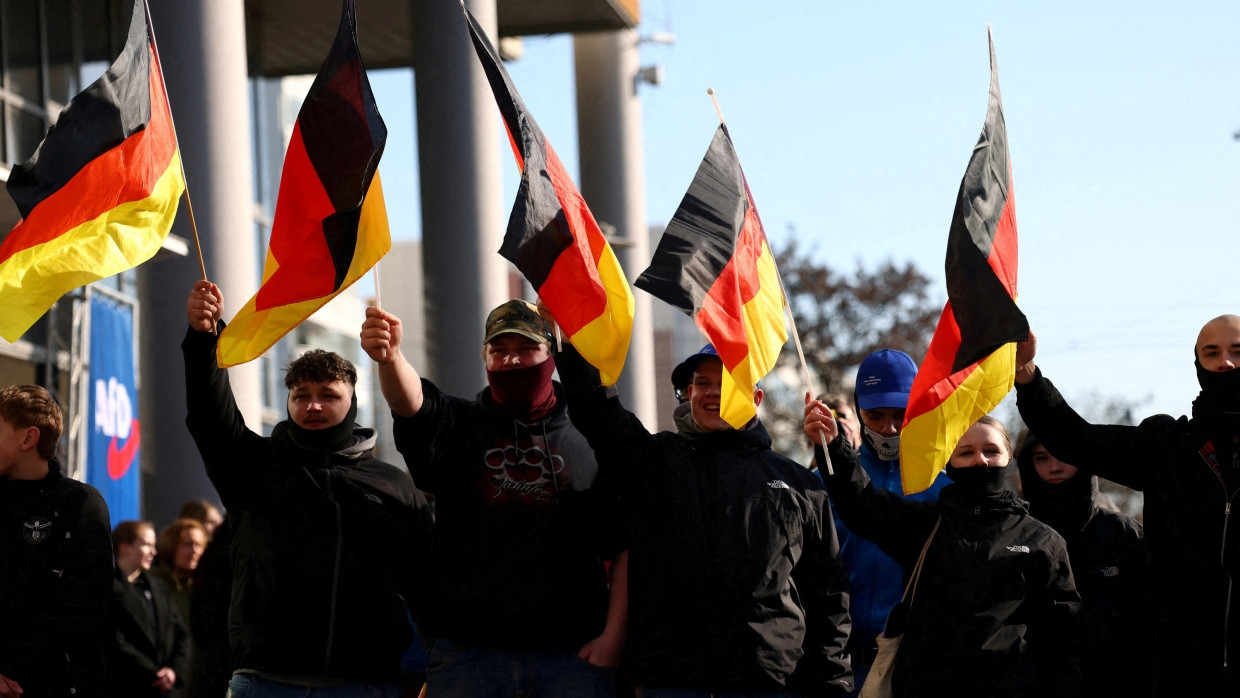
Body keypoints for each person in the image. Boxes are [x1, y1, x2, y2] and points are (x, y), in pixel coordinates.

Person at [555, 341, 854, 696]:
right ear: (689, 393)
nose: (714, 393)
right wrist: (570, 343)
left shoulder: (800, 485)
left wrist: (833, 685)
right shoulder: (653, 462)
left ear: (756, 398)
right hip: (673, 681)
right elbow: (597, 412)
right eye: (702, 383)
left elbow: (829, 596)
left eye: (727, 383)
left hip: (769, 684)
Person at [360, 300, 627, 697]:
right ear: (485, 358)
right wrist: (390, 358)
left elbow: (622, 546)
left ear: (550, 355)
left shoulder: (592, 434)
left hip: (571, 657)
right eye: (499, 351)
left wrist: (612, 640)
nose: (511, 361)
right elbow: (413, 405)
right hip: (470, 655)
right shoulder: (460, 425)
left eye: (525, 350)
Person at [183, 280, 433, 697]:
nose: (313, 405)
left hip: (366, 684)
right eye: (301, 395)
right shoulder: (252, 467)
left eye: (327, 395)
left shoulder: (395, 486)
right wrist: (203, 338)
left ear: (352, 403)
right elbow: (210, 414)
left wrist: (433, 668)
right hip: (264, 683)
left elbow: (425, 585)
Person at [1014, 315, 1240, 693]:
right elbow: (1074, 439)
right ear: (1197, 362)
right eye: (1211, 352)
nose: (1225, 363)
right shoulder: (1166, 447)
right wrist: (1026, 374)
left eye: (1237, 351)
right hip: (1183, 665)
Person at [804, 403, 1082, 696]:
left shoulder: (1042, 541)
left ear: (1008, 457)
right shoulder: (924, 525)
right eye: (966, 452)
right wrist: (833, 446)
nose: (981, 461)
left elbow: (1064, 640)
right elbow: (861, 502)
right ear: (949, 461)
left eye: (991, 450)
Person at [827, 349, 949, 692]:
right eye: (874, 415)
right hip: (842, 666)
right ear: (857, 408)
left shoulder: (946, 487)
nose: (888, 427)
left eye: (900, 414)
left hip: (918, 666)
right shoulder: (830, 482)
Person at [1015, 432, 1149, 696]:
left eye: (1066, 455)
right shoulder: (1012, 533)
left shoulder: (1123, 533)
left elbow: (1147, 625)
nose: (1055, 467)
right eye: (1042, 458)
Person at [0, 384, 113, 698]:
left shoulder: (80, 503)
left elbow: (85, 604)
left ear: (28, 438)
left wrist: (10, 669)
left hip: (55, 684)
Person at [109, 520, 191, 697]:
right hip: (130, 687)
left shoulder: (159, 587)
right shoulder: (108, 589)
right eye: (146, 545)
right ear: (125, 548)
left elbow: (180, 632)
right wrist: (153, 673)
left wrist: (173, 671)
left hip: (166, 689)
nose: (154, 552)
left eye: (154, 545)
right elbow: (114, 639)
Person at [152, 517, 207, 627]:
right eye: (188, 544)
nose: (194, 551)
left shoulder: (207, 584)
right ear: (171, 546)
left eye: (199, 545)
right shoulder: (153, 582)